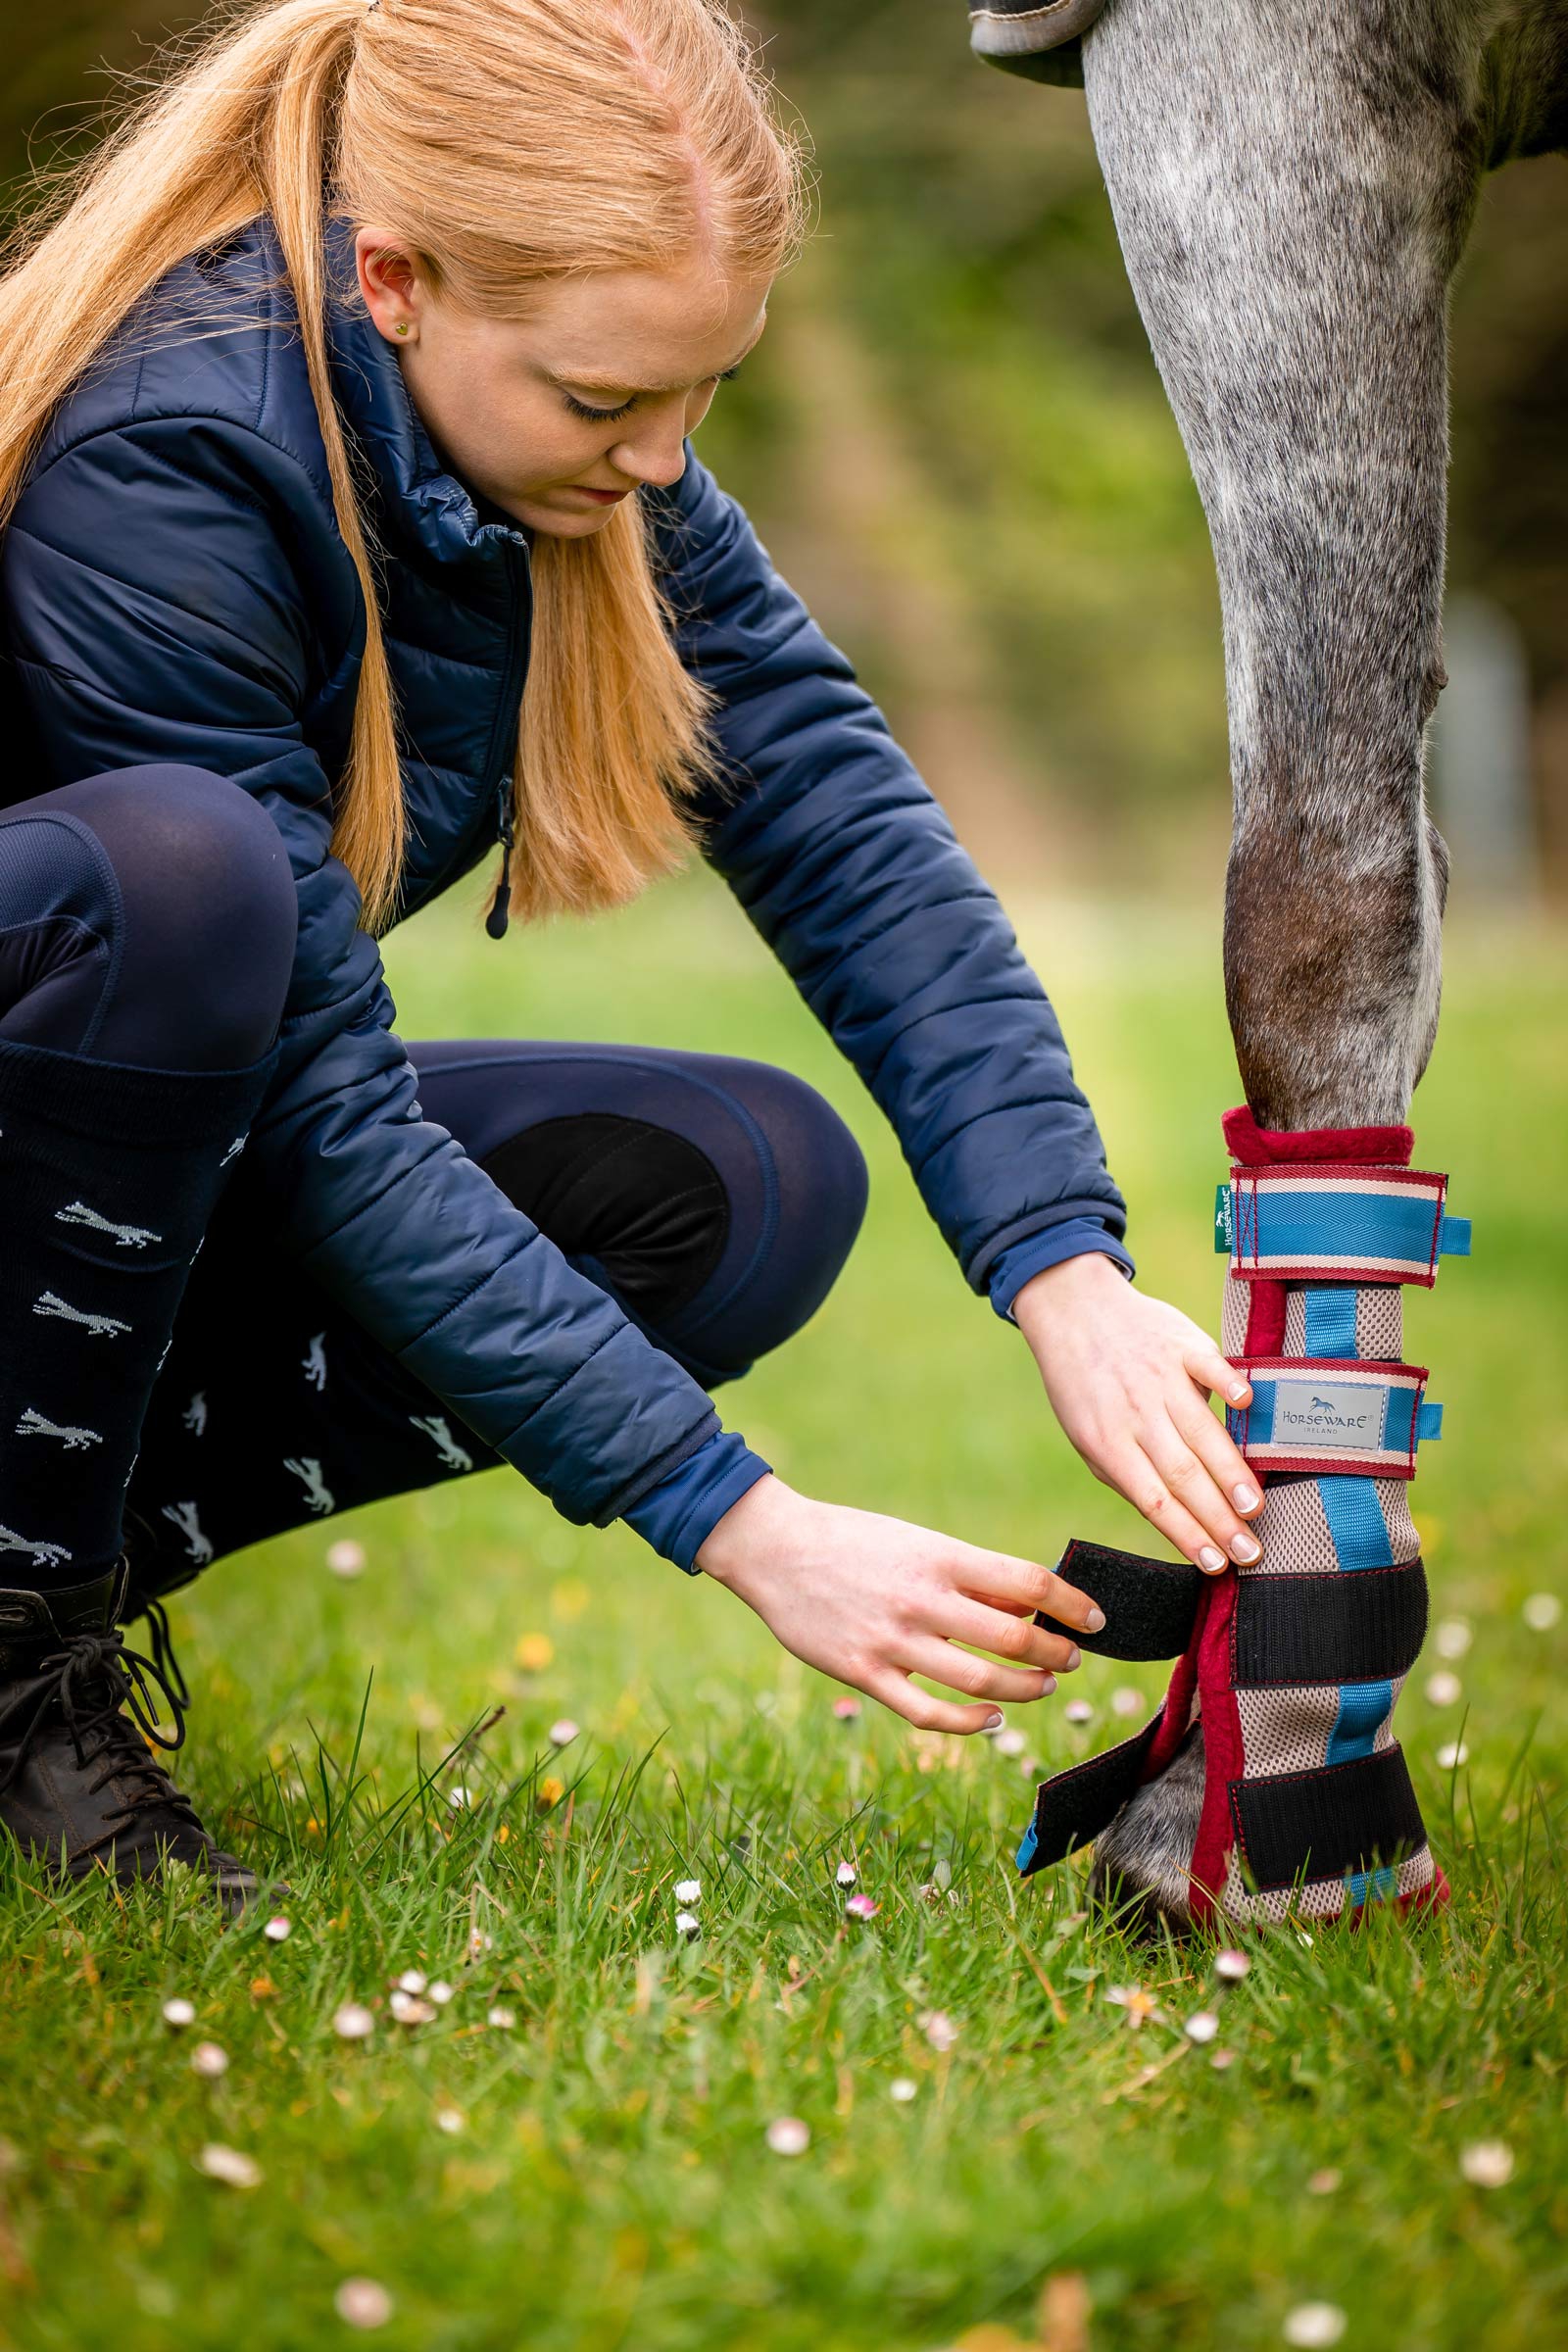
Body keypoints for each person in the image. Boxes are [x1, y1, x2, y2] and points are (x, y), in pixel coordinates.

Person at [0, 0, 1262, 1908]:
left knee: (735, 1188)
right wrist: (739, 1522)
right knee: (188, 882)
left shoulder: (560, 462)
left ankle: (57, 1542)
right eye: (605, 405)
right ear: (398, 280)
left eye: (703, 397)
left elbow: (838, 825)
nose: (661, 465)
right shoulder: (172, 453)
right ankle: (24, 1669)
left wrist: (1059, 1266)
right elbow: (326, 1114)